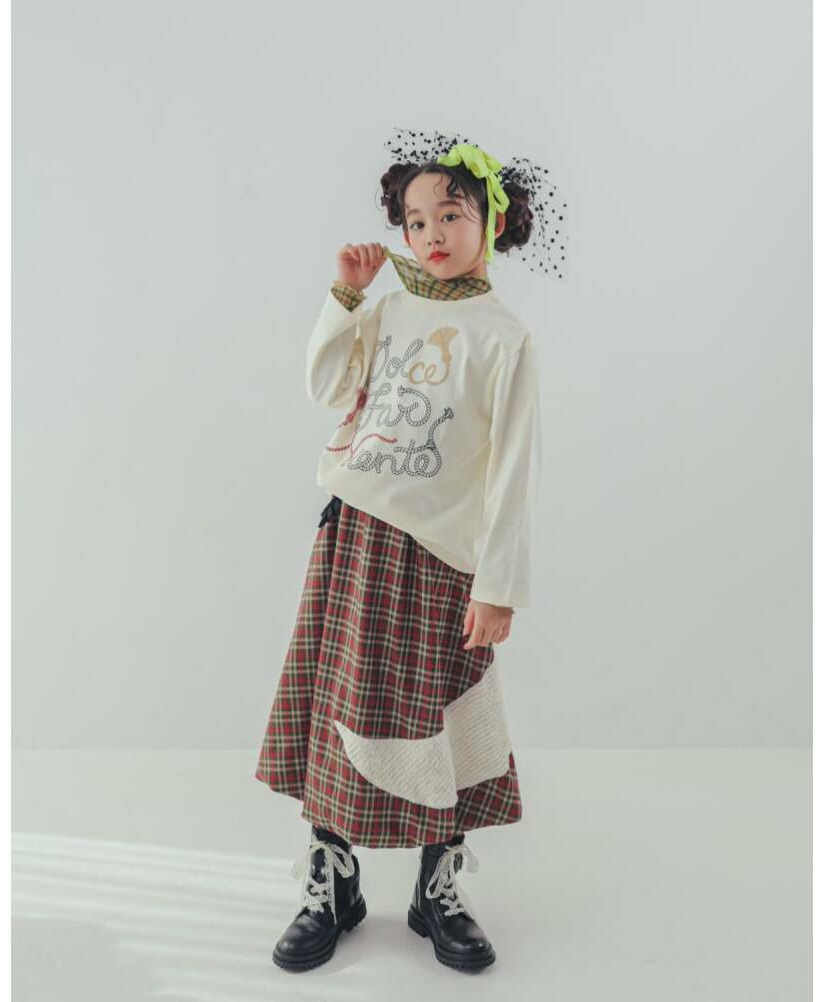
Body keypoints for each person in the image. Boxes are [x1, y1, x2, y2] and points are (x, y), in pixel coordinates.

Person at [254, 128, 567, 974]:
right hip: (355, 536)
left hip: (439, 557)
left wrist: (498, 584)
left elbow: (514, 470)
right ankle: (334, 877)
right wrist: (347, 296)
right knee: (341, 703)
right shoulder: (388, 305)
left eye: (451, 215)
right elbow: (326, 386)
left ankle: (438, 885)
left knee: (442, 715)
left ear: (490, 223)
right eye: (416, 220)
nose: (431, 233)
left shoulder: (506, 339)